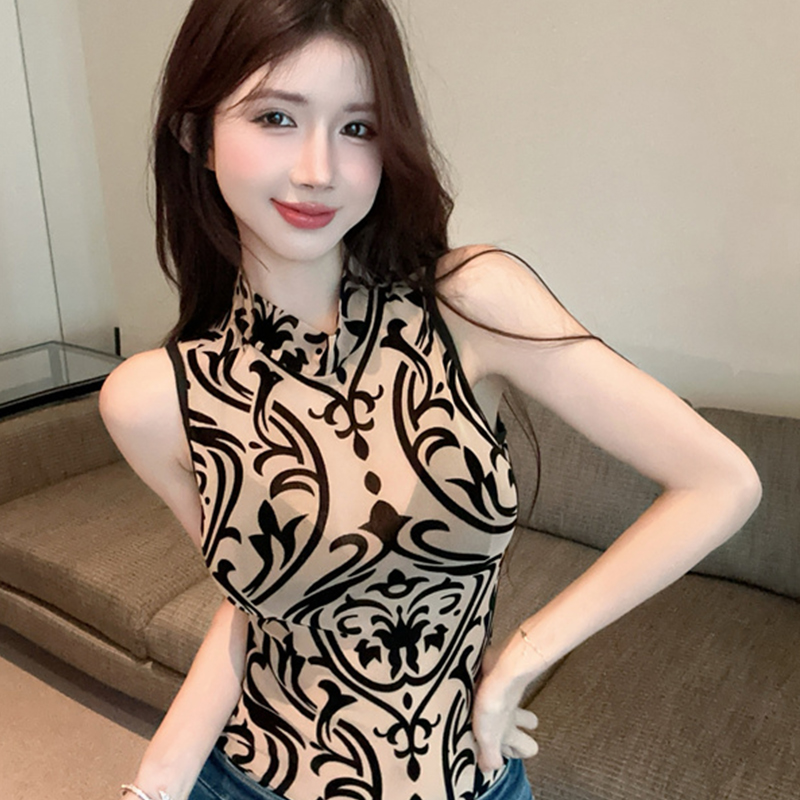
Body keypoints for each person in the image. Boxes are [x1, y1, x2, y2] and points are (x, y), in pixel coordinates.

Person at [99, 1, 762, 799]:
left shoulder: (469, 305)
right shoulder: (156, 400)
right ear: (196, 135)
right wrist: (157, 780)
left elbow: (721, 482)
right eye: (275, 117)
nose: (318, 169)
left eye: (358, 127)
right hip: (252, 782)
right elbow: (257, 609)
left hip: (474, 781)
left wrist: (521, 659)